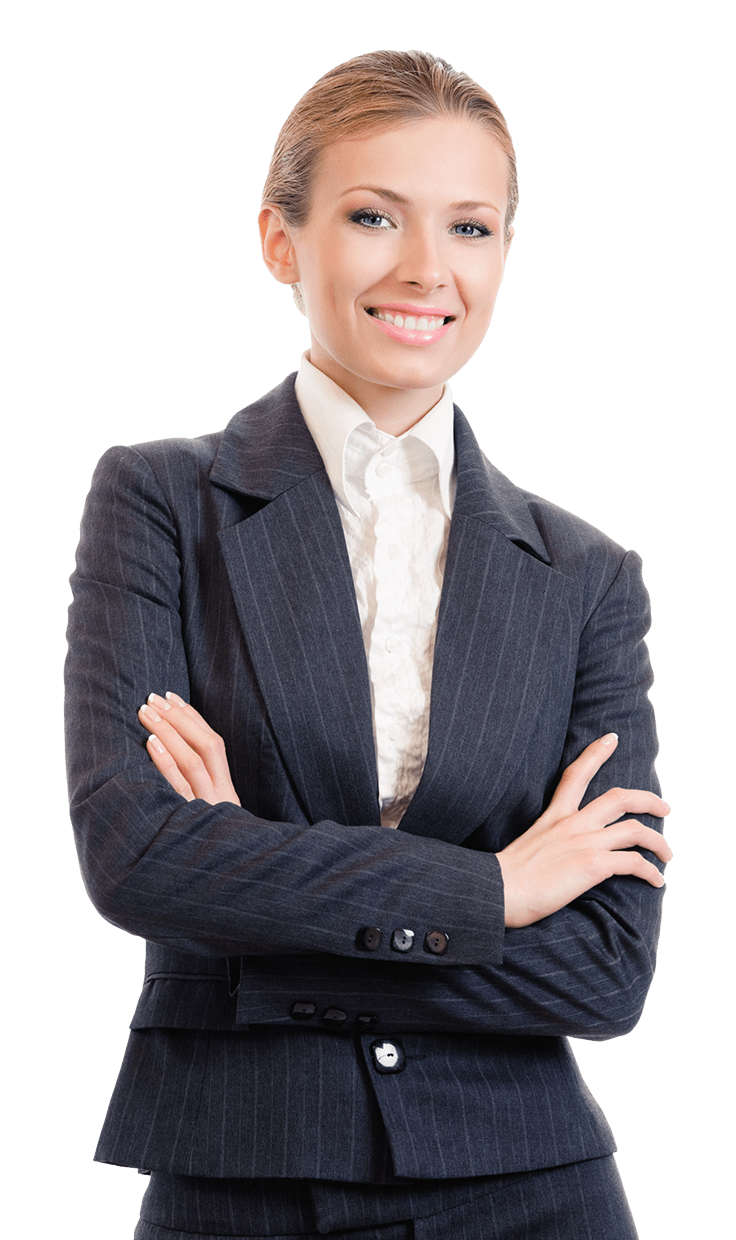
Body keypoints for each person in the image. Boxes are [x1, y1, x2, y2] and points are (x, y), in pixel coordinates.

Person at [65, 49, 672, 1240]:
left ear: (503, 255)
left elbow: (606, 969)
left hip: (531, 1187)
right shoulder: (159, 502)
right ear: (281, 241)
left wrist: (250, 890)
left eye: (470, 227)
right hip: (242, 1178)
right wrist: (494, 889)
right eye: (373, 216)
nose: (426, 268)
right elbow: (136, 857)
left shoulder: (588, 576)